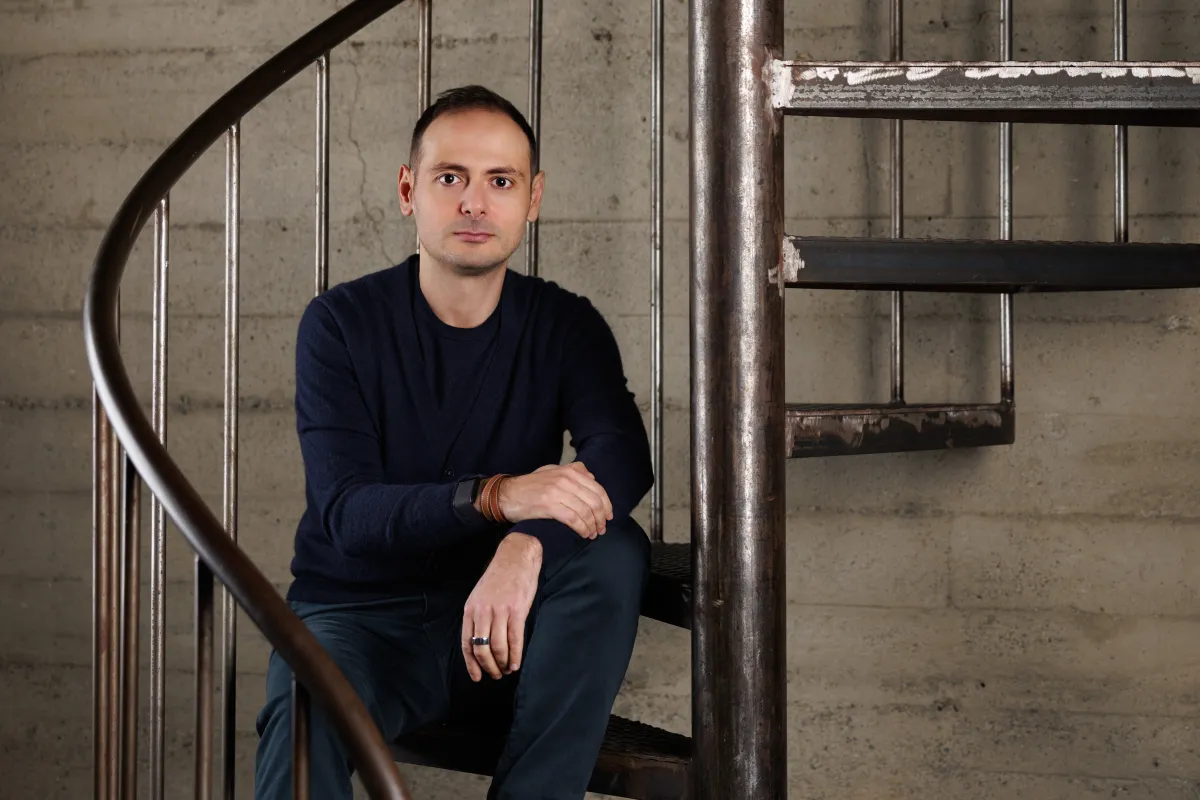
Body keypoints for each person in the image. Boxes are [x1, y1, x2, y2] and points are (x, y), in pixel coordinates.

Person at [253, 85, 654, 800]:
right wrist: (497, 498)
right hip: (361, 625)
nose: (475, 203)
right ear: (409, 191)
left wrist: (525, 544)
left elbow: (622, 456)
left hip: (507, 631)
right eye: (450, 178)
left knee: (614, 548)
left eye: (500, 181)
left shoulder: (566, 325)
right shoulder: (340, 323)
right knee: (305, 711)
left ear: (532, 199)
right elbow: (348, 513)